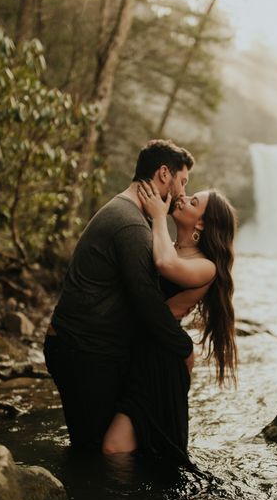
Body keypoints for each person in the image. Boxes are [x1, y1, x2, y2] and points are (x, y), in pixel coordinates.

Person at [43, 139, 195, 450]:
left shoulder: (130, 216)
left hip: (86, 348)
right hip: (81, 351)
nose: (181, 192)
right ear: (163, 174)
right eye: (181, 181)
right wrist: (184, 347)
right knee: (94, 452)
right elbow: (146, 301)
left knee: (101, 448)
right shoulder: (129, 224)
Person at [102, 179, 238, 465]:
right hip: (134, 349)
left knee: (115, 448)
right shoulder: (168, 243)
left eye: (194, 202)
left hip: (160, 358)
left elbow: (165, 264)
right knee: (137, 444)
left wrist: (159, 215)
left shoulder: (206, 266)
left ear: (201, 224)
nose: (184, 198)